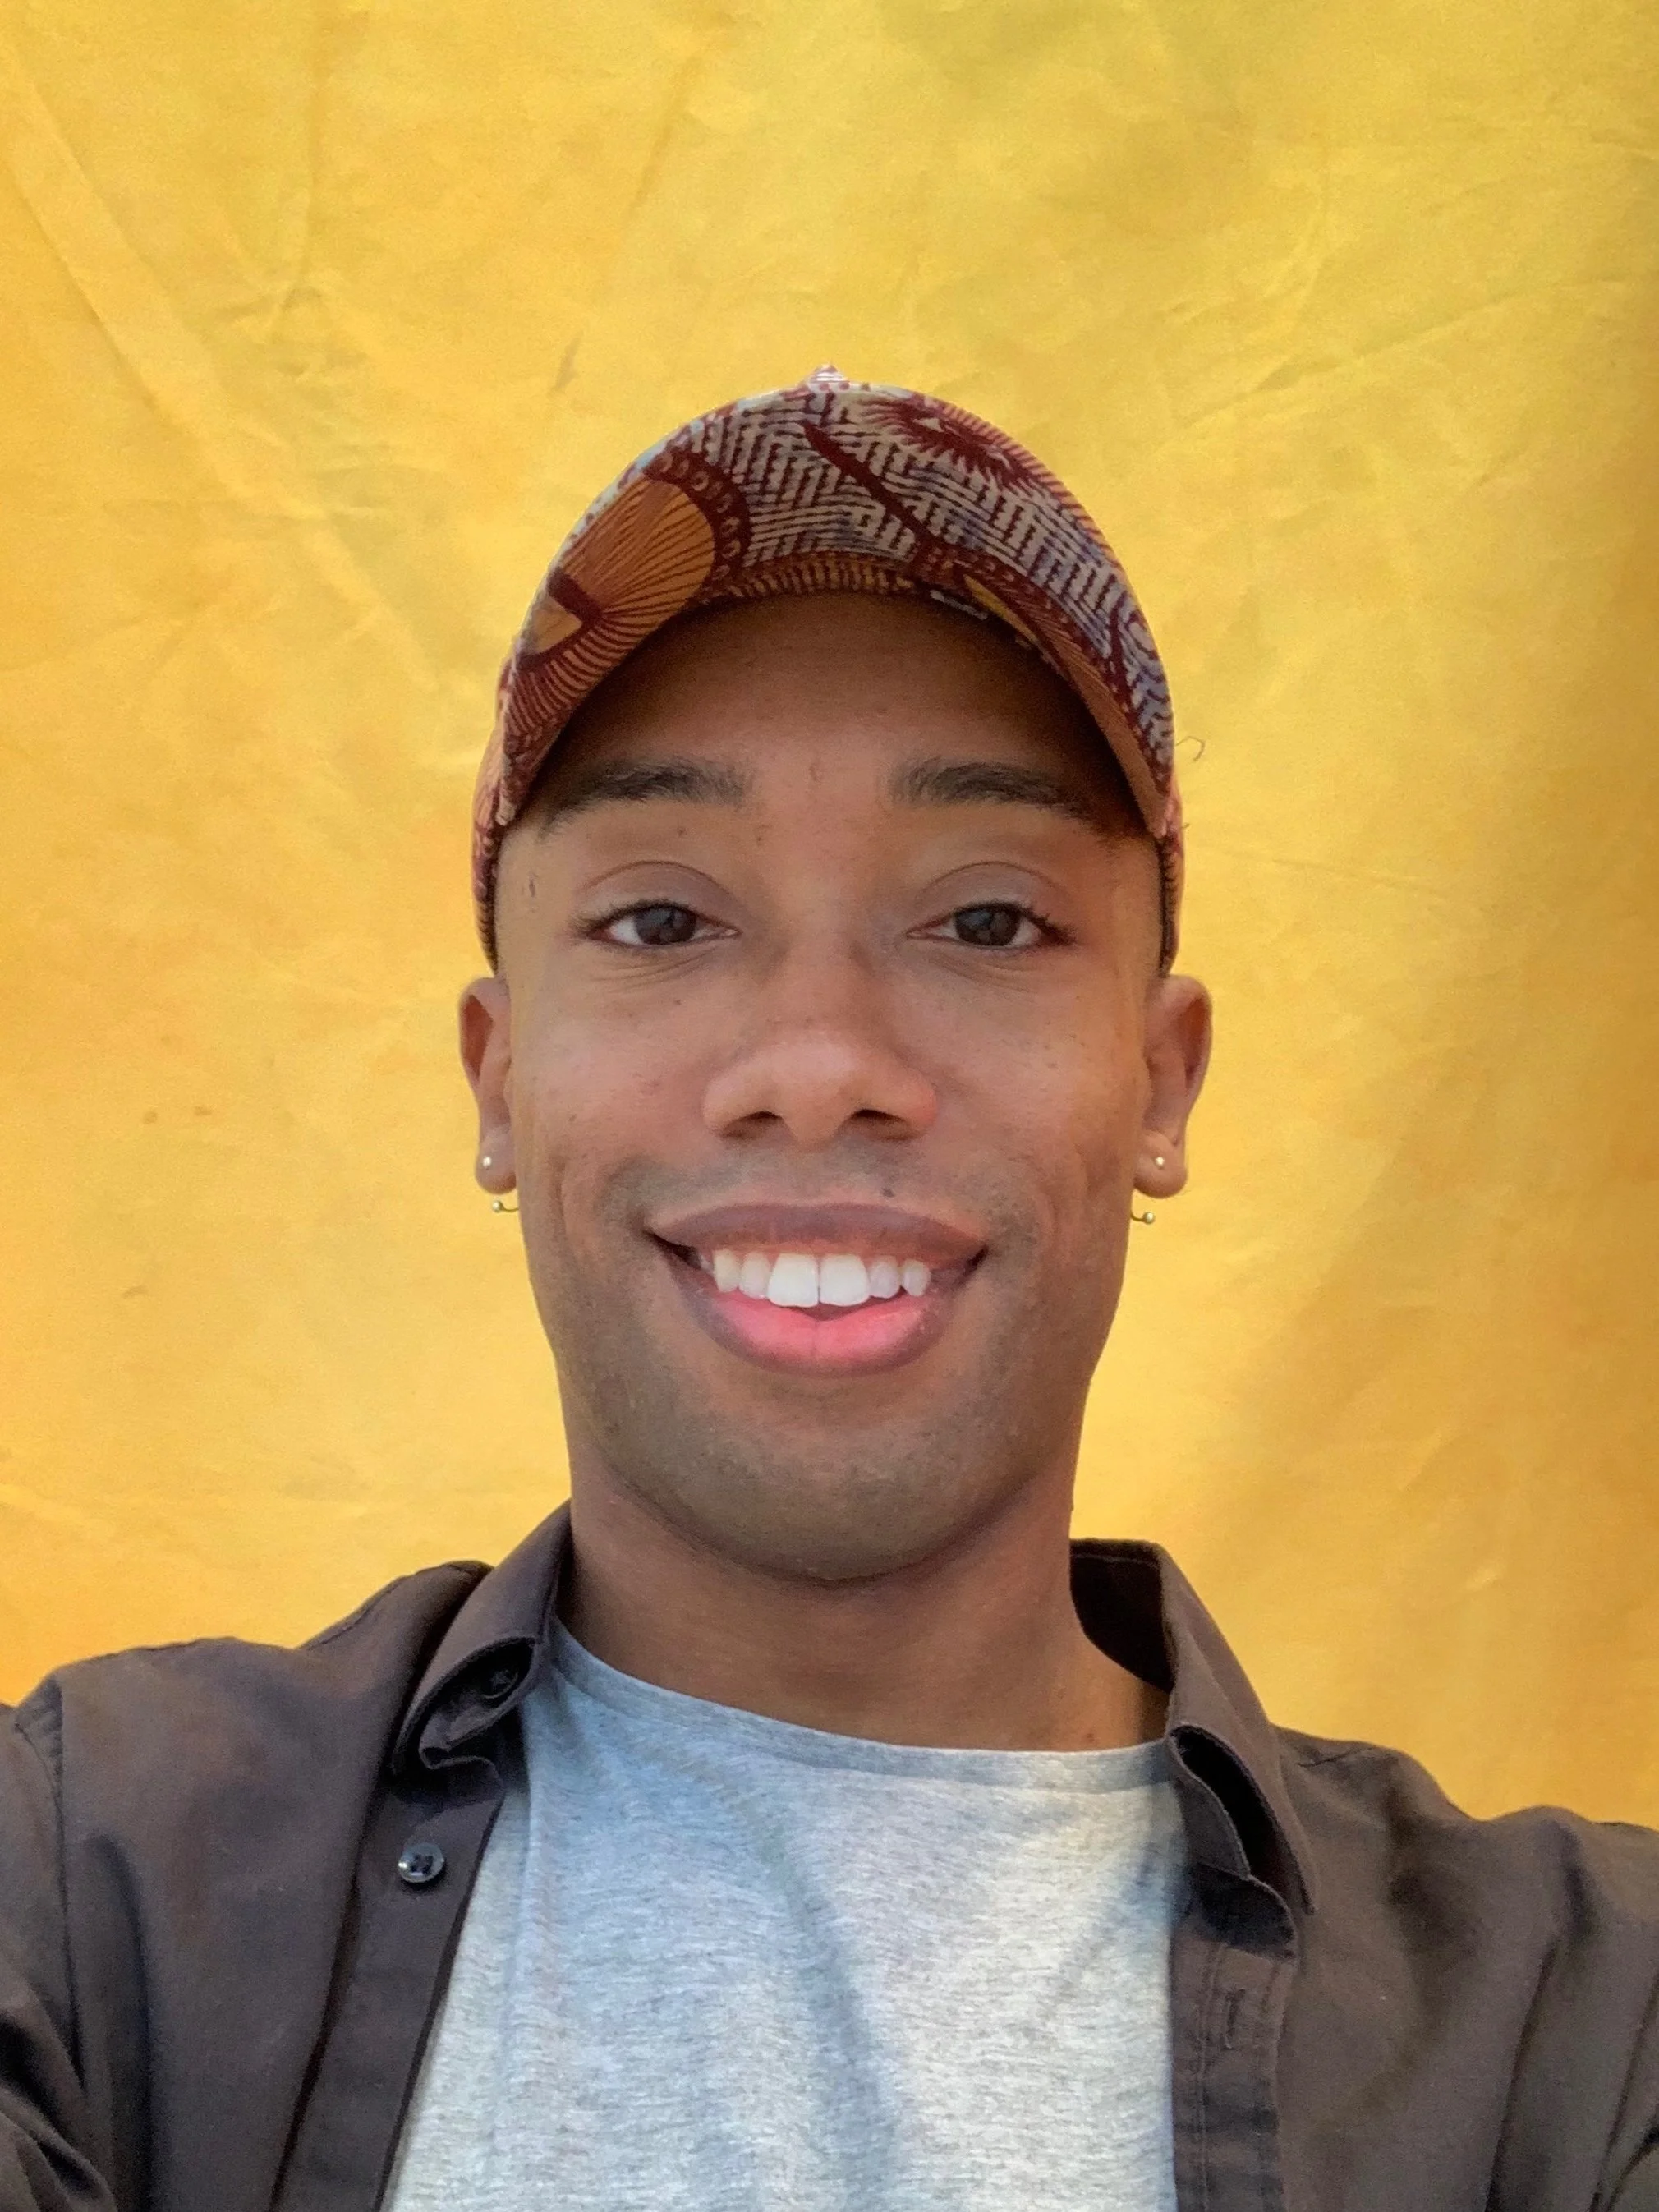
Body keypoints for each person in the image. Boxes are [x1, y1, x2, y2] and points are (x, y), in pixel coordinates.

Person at [2, 368, 1657, 2212]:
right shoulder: (79, 1884)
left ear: (1159, 1079)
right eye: (658, 918)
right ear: (497, 1079)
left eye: (982, 918)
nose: (813, 1058)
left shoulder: (1575, 2031)